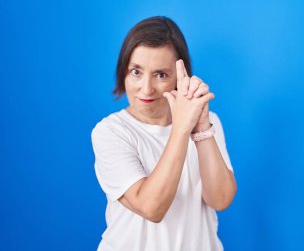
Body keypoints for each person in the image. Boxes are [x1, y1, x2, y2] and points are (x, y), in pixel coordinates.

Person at [91, 16, 237, 251]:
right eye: (136, 72)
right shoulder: (110, 132)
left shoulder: (209, 123)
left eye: (161, 75)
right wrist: (181, 128)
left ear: (180, 78)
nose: (146, 88)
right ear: (124, 72)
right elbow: (151, 207)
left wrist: (200, 127)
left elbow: (220, 199)